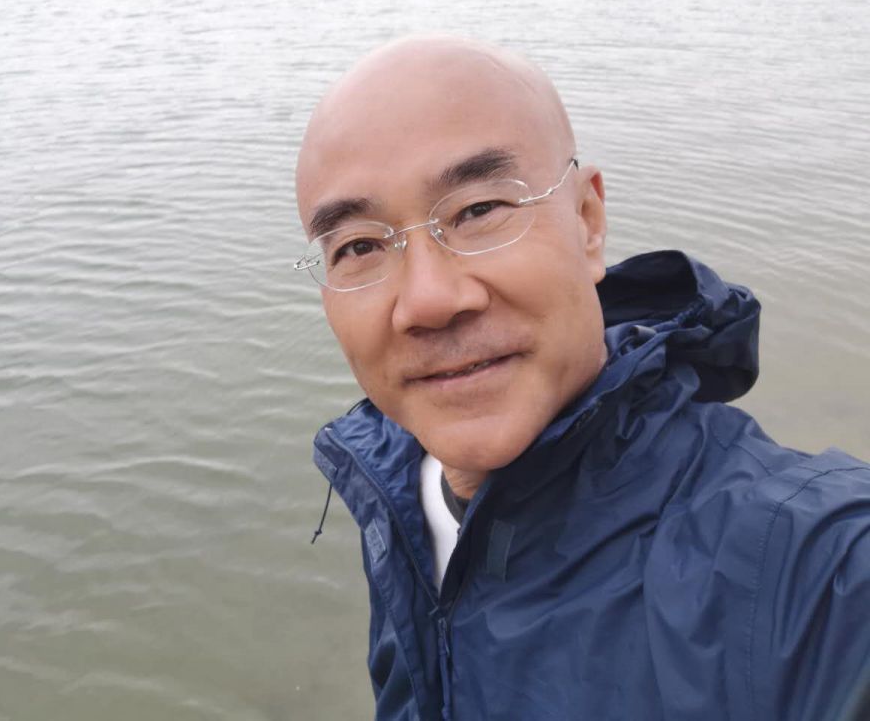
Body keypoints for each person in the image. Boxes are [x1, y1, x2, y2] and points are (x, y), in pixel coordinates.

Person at [293, 36, 870, 721]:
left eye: (479, 211)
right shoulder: (395, 490)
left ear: (588, 223)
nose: (427, 301)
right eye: (359, 245)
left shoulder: (814, 572)